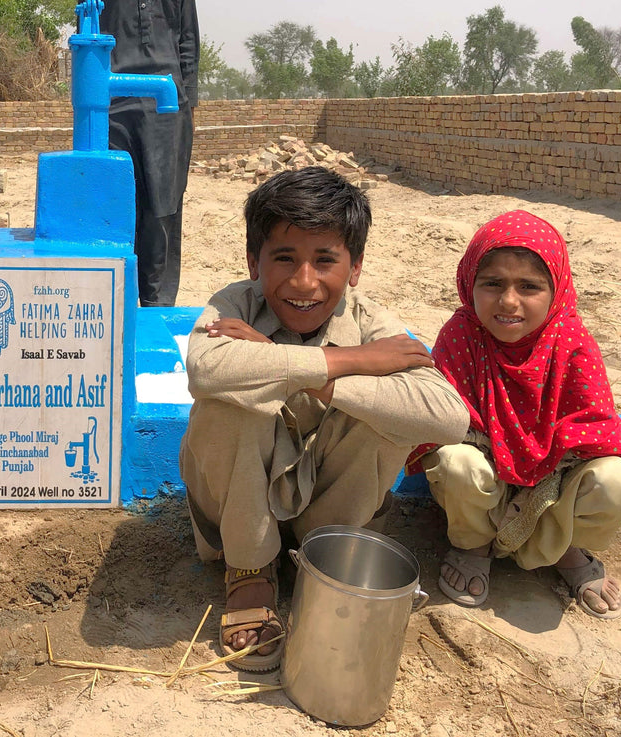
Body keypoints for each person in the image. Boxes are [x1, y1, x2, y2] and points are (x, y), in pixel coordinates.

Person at [181, 167, 469, 671]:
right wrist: (351, 361)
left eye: (325, 260)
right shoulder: (234, 305)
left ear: (354, 268)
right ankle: (249, 570)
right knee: (233, 398)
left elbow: (448, 417)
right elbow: (206, 369)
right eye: (284, 258)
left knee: (387, 414)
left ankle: (325, 560)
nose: (304, 282)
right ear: (254, 261)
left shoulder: (370, 320)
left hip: (330, 512)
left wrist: (315, 379)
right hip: (239, 515)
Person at [410, 210, 621, 619]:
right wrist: (497, 449)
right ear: (469, 283)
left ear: (557, 290)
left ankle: (565, 550)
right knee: (454, 460)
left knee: (618, 483)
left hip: (556, 483)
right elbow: (442, 416)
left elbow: (593, 427)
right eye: (493, 284)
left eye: (529, 286)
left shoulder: (570, 340)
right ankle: (473, 544)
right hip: (485, 480)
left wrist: (545, 462)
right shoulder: (462, 333)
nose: (509, 301)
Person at [78, 0, 199, 307]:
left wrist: (185, 100)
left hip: (167, 107)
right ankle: (115, 304)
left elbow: (188, 36)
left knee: (164, 208)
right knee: (115, 205)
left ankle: (157, 306)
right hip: (113, 106)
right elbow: (88, 34)